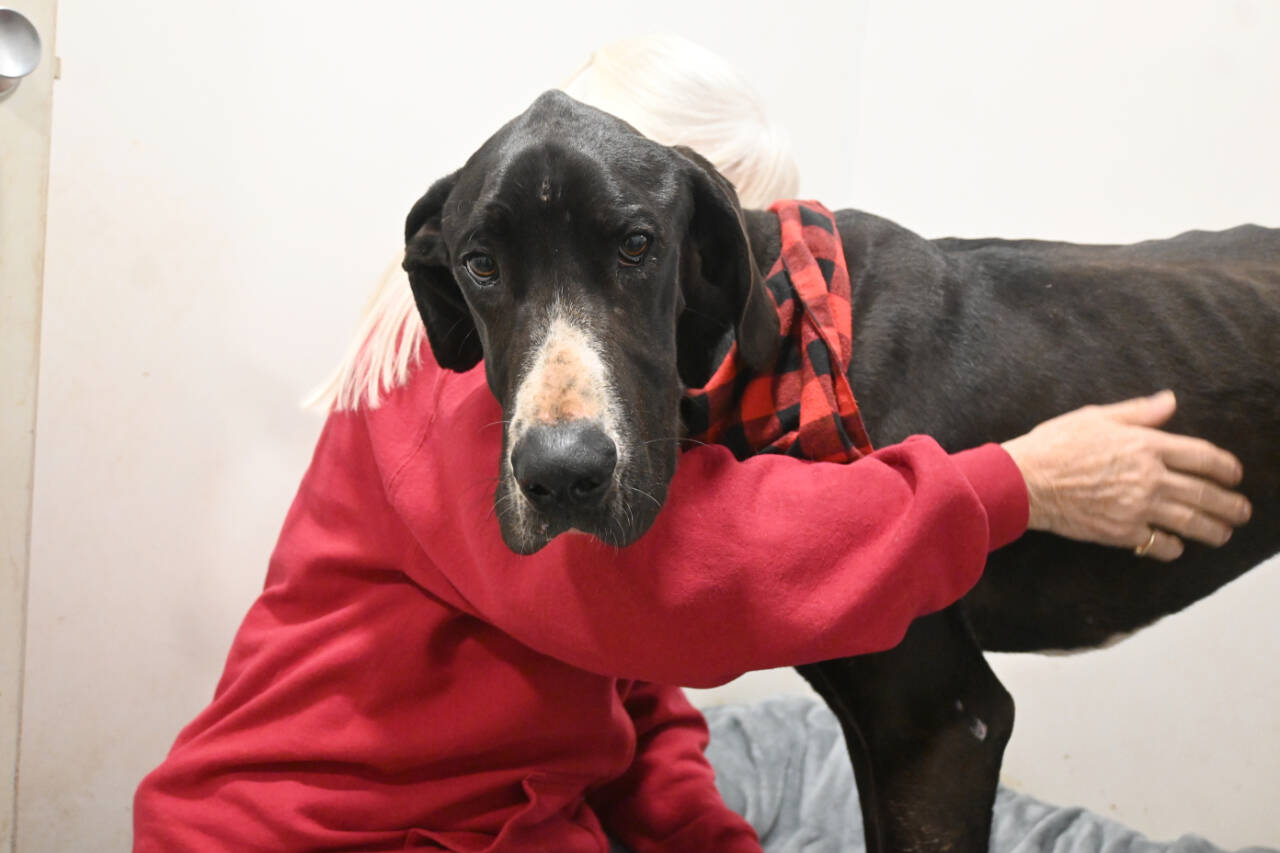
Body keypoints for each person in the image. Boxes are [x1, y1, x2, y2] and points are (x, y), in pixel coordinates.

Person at [132, 36, 1252, 852]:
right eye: (657, 253)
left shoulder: (578, 398)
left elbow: (627, 679)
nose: (713, 325)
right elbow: (693, 588)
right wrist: (1017, 486)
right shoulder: (448, 391)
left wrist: (704, 840)